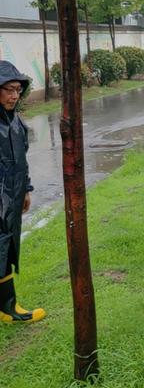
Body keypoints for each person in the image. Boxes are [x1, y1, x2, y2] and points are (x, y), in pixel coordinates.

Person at [0, 60, 46, 323]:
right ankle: (8, 308)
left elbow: (21, 160)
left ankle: (7, 307)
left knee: (7, 247)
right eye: (8, 89)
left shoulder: (15, 122)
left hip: (12, 199)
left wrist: (26, 189)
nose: (14, 95)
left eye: (17, 89)